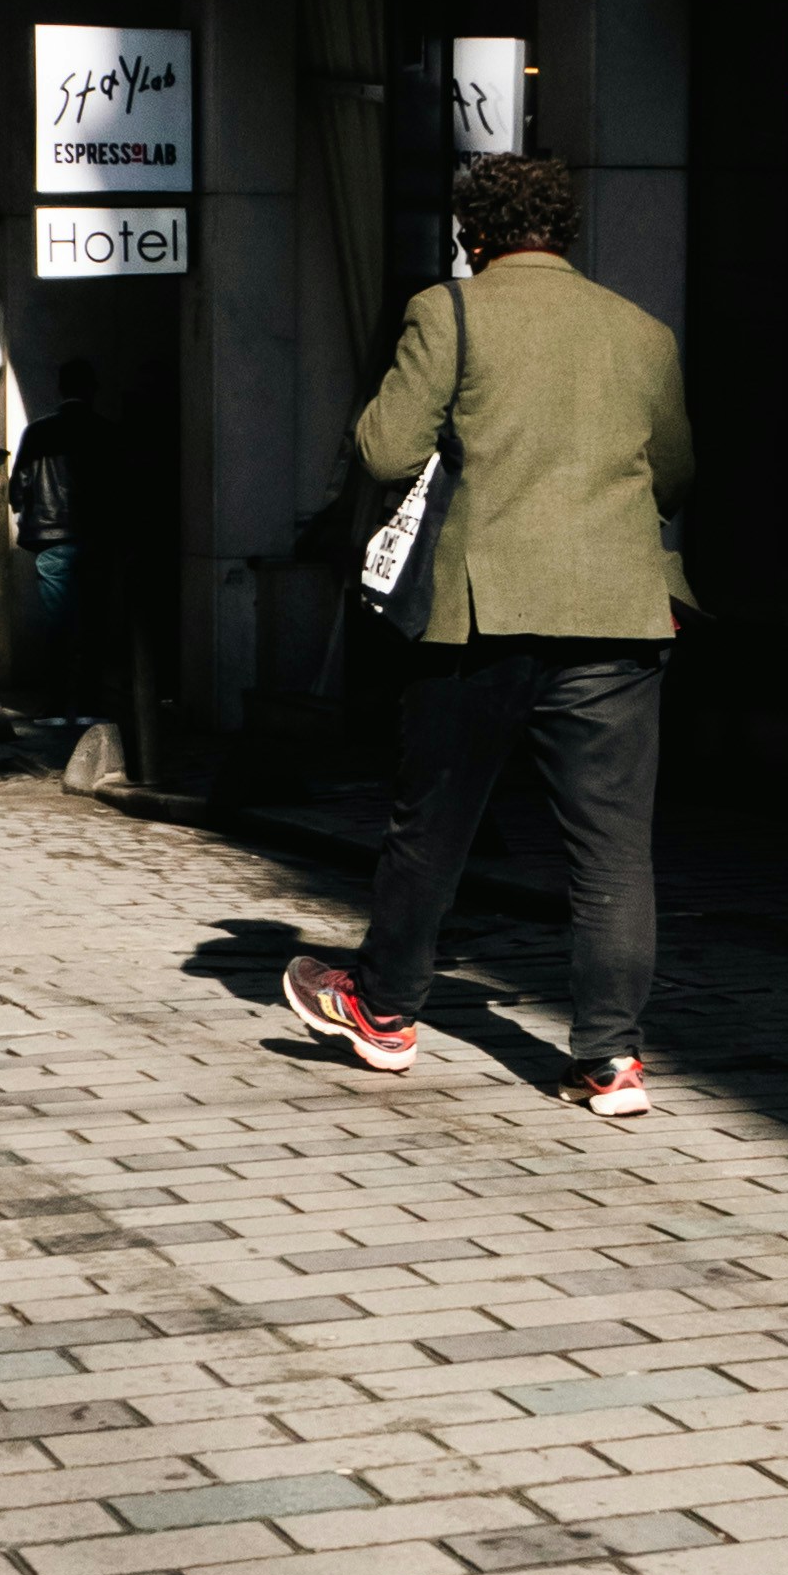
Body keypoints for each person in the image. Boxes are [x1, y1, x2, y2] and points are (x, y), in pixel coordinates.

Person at [284, 149, 690, 1119]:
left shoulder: (449, 311)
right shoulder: (642, 333)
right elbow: (677, 475)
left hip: (481, 611)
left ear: (472, 235)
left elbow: (385, 447)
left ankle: (383, 1013)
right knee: (612, 851)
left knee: (432, 827)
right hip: (619, 614)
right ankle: (611, 1060)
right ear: (569, 233)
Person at [6, 352, 105, 691]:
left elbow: (17, 486)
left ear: (60, 389)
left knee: (58, 618)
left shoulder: (38, 432)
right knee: (94, 613)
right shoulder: (105, 431)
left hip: (50, 537)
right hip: (97, 537)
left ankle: (60, 695)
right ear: (93, 390)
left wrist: (25, 510)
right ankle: (91, 693)